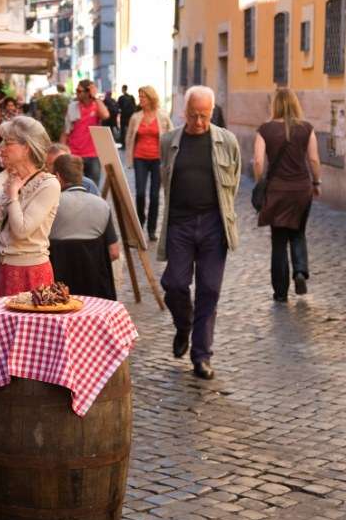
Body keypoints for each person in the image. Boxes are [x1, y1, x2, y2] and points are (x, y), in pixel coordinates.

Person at [158, 85, 241, 381]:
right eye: (193, 115)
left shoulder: (227, 141)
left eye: (204, 116)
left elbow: (234, 183)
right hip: (179, 223)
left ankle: (201, 355)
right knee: (175, 283)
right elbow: (164, 178)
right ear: (184, 111)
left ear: (212, 113)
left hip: (213, 225)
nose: (198, 122)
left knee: (210, 289)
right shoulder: (169, 141)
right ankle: (184, 324)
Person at [253, 89, 322, 302]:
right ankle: (300, 271)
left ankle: (280, 292)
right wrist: (316, 182)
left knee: (279, 240)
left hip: (277, 190)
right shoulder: (306, 128)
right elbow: (313, 160)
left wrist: (260, 183)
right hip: (301, 188)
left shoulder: (265, 129)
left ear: (275, 105)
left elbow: (257, 161)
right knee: (299, 232)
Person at [0, 116, 61, 297]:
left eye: (8, 143)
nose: (1, 148)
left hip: (30, 271)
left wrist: (13, 196)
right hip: (3, 267)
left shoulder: (48, 184)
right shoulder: (10, 179)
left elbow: (22, 231)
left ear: (27, 147)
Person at [49, 155, 119, 299]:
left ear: (57, 176)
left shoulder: (51, 205)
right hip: (96, 289)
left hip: (58, 289)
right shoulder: (103, 206)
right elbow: (114, 252)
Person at [124, 86, 173, 241]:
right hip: (140, 157)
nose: (140, 99)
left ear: (151, 98)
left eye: (143, 97)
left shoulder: (163, 116)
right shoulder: (136, 117)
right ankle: (140, 223)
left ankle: (152, 229)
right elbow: (129, 137)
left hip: (158, 159)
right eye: (140, 96)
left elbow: (171, 136)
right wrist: (129, 156)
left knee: (154, 195)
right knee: (139, 192)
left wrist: (170, 157)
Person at [60, 79, 109, 185]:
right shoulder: (73, 107)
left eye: (79, 91)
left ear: (88, 92)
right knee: (75, 186)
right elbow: (65, 131)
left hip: (93, 154)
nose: (76, 93)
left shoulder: (96, 106)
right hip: (75, 154)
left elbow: (105, 115)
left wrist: (95, 97)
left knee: (93, 186)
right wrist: (62, 151)